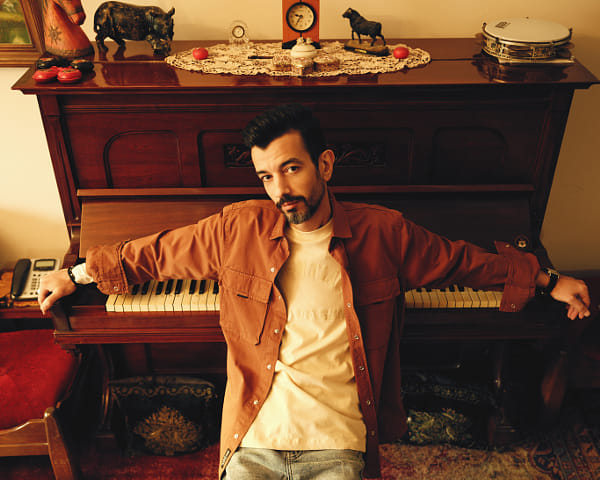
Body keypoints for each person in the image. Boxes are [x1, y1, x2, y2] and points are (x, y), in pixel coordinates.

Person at [38, 103, 591, 479]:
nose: (280, 190)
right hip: (254, 436)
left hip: (338, 443)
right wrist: (78, 274)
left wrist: (546, 280)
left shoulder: (384, 233)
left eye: (292, 169)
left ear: (325, 164)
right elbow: (152, 253)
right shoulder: (236, 229)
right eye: (266, 177)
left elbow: (461, 262)